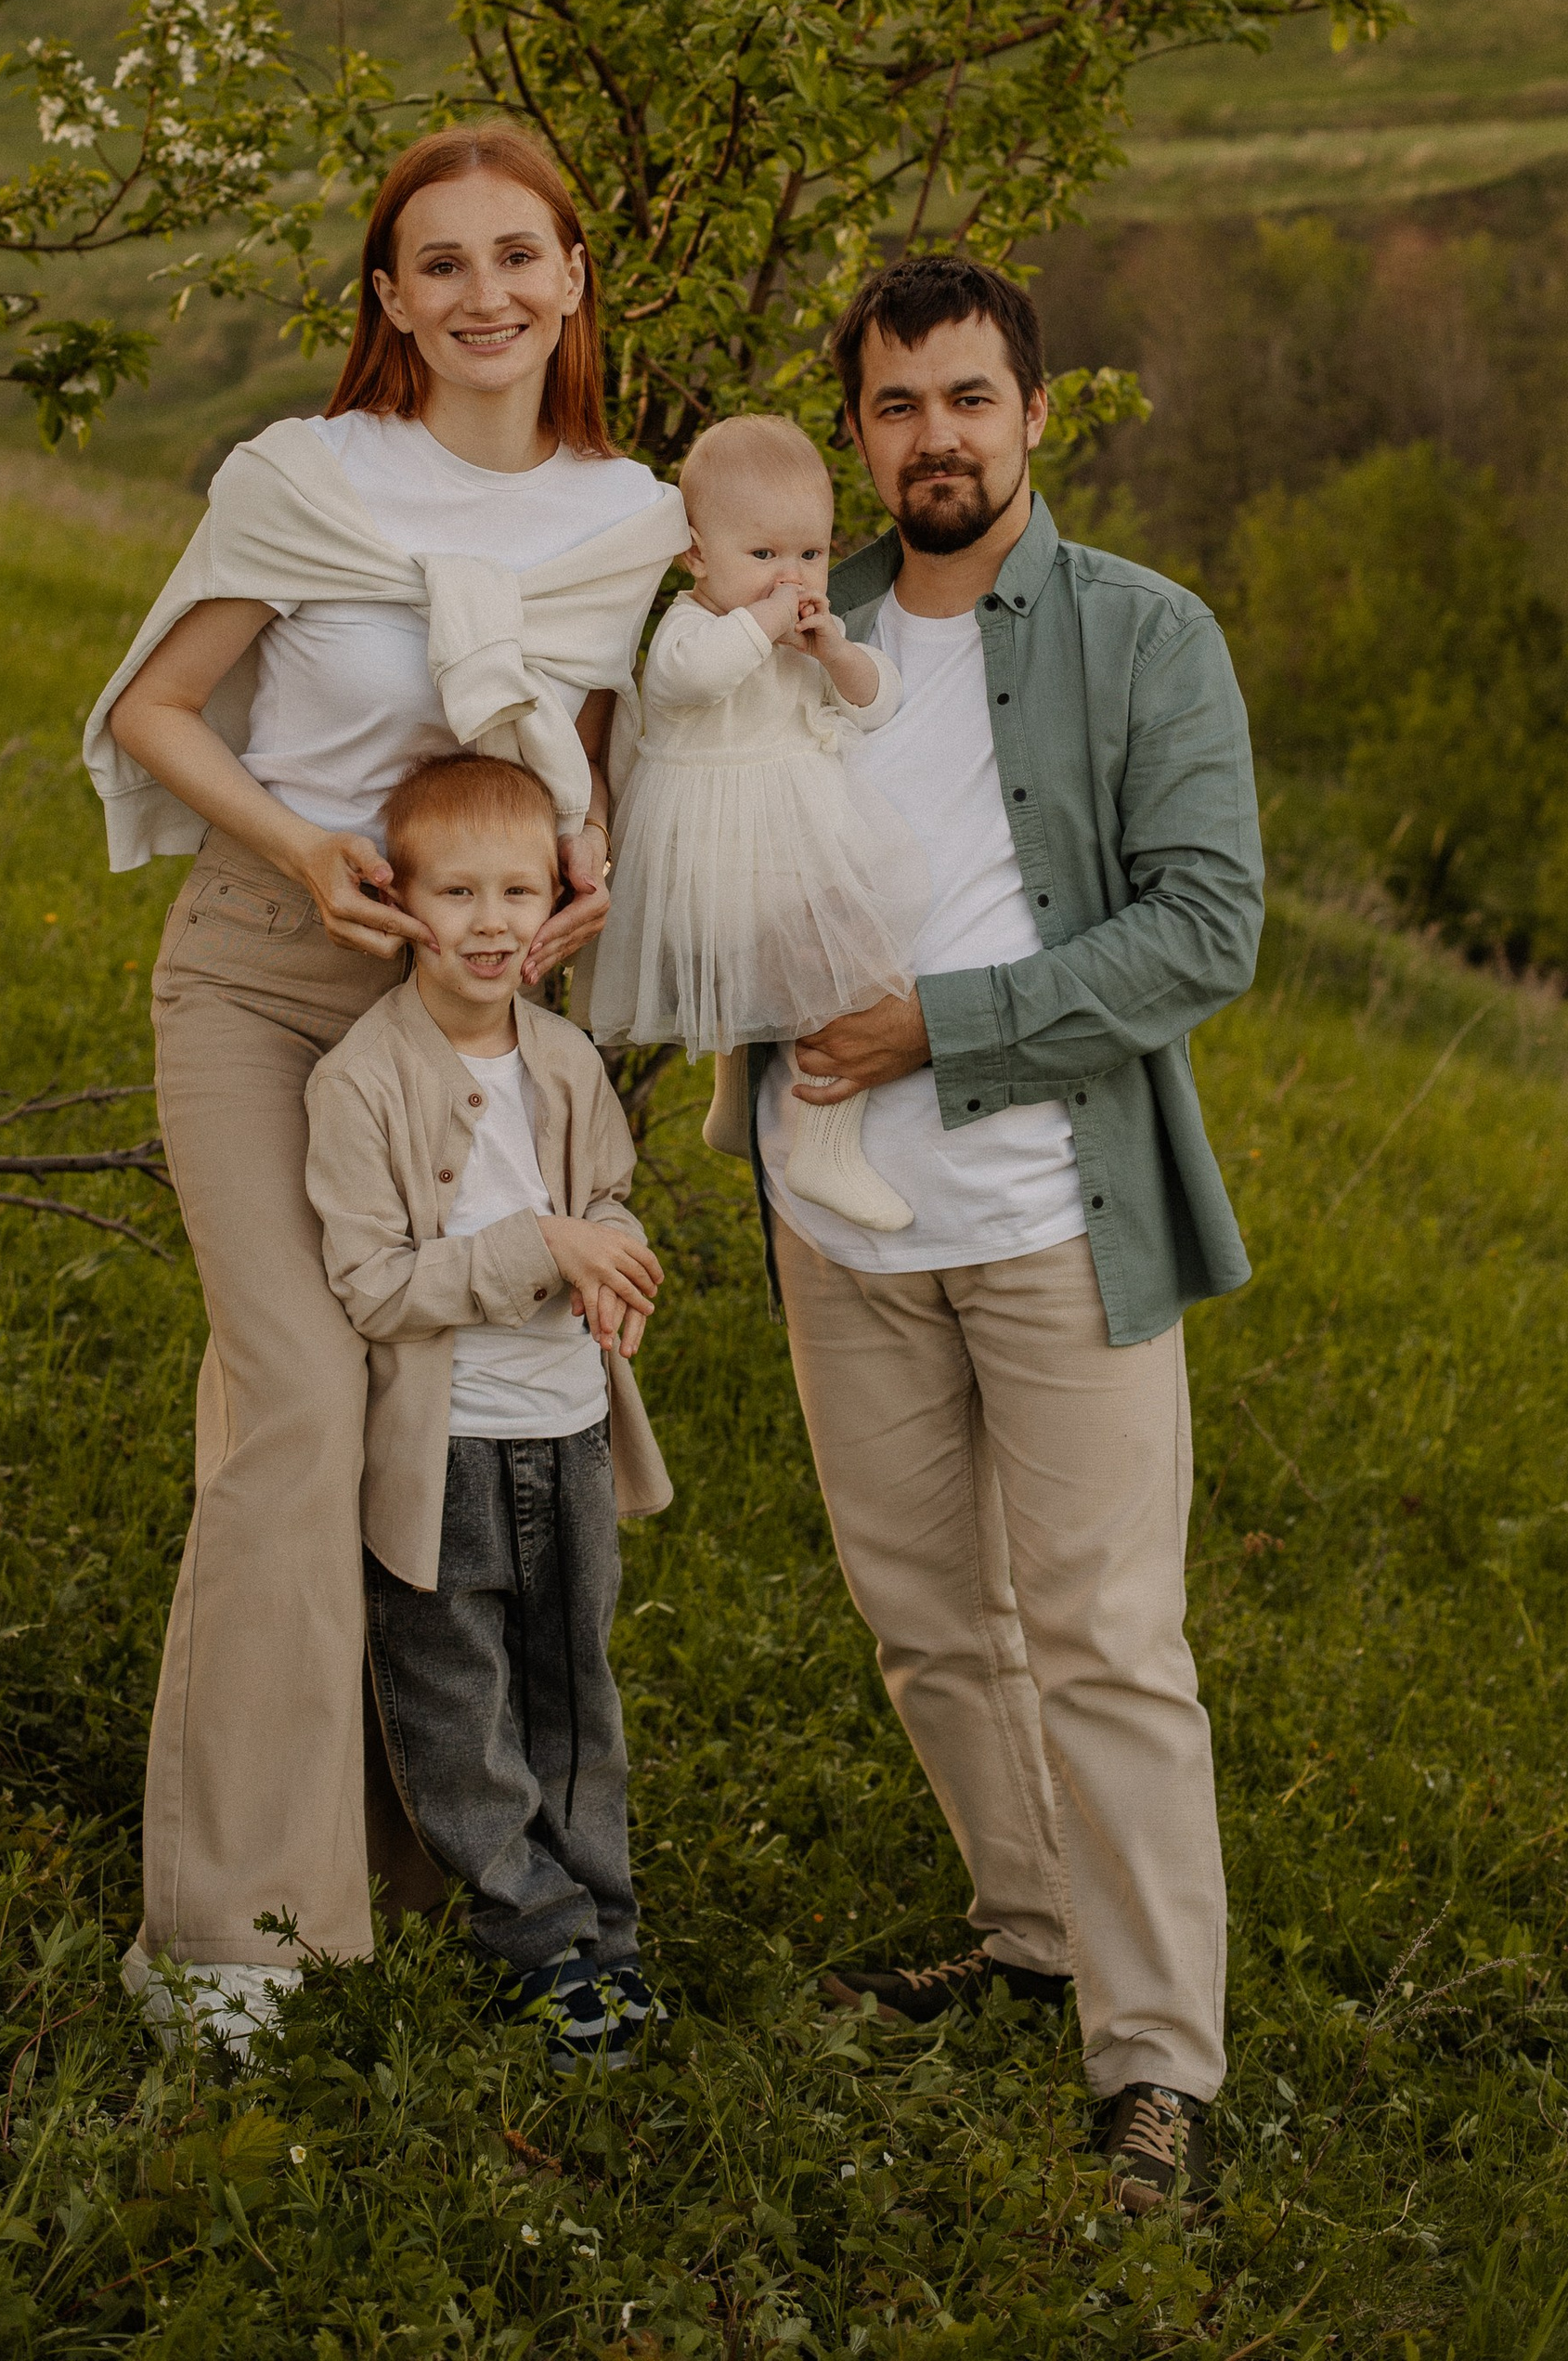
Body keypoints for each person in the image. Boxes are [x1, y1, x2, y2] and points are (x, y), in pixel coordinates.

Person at [81, 125, 684, 2052]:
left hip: (470, 1026)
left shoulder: (629, 523)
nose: (484, 294)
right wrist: (299, 848)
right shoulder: (304, 479)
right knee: (298, 1401)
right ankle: (229, 1935)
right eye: (440, 264)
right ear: (387, 298)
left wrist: (587, 879)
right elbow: (153, 709)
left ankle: (408, 1847)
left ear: (574, 280)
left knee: (422, 1409)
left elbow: (577, 759)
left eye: (520, 255)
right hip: (271, 981)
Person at [746, 253, 1262, 2224]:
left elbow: (1203, 929)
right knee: (923, 1618)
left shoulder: (1143, 637)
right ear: (856, 432)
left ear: (1035, 412)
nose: (932, 437)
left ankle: (1150, 2063)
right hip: (834, 1227)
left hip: (1056, 1220)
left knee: (1107, 1639)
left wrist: (934, 1032)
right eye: (893, 405)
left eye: (967, 398)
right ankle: (1027, 1921)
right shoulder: (804, 629)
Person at [305, 750, 670, 2069]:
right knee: (459, 1702)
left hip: (566, 1433)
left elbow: (608, 1199)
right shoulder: (360, 1081)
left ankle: (606, 1934)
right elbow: (373, 1285)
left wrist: (615, 1257)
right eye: (457, 891)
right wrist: (543, 1245)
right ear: (398, 901)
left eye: (520, 890)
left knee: (577, 1696)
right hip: (447, 1454)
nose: (495, 921)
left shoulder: (564, 1061)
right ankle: (535, 1942)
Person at [588, 410, 926, 1233]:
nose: (792, 578)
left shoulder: (800, 637)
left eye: (811, 554)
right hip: (715, 864)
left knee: (810, 958)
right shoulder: (690, 629)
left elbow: (880, 702)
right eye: (764, 556)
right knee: (852, 963)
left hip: (771, 851)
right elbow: (694, 680)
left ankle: (737, 1104)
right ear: (696, 554)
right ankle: (825, 1146)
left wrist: (834, 652)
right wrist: (769, 624)